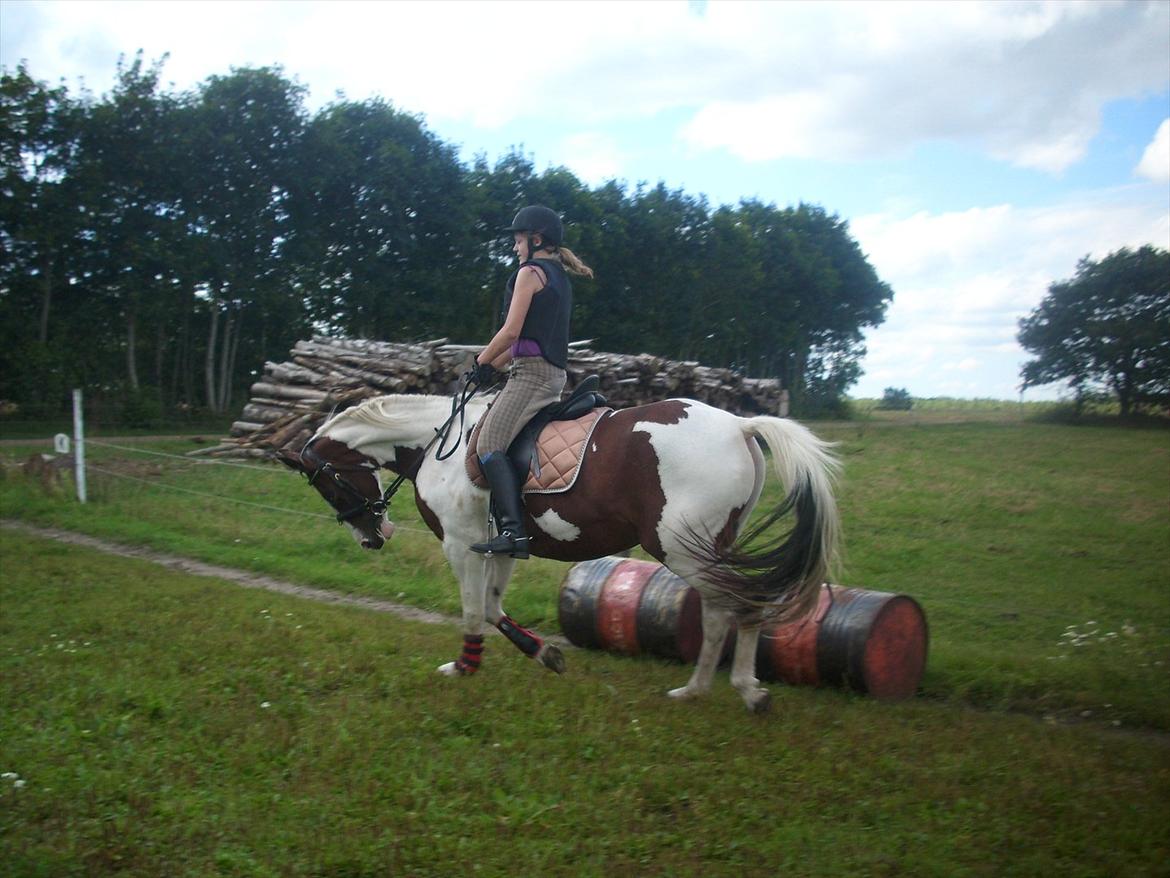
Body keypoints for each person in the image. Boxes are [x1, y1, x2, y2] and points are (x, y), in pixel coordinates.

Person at [469, 205, 594, 558]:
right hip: (543, 371)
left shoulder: (530, 273)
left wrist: (481, 360)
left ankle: (514, 532)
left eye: (518, 240)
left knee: (488, 445)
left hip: (533, 376)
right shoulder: (557, 276)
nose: (515, 248)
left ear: (536, 240)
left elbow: (510, 332)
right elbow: (526, 339)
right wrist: (492, 365)